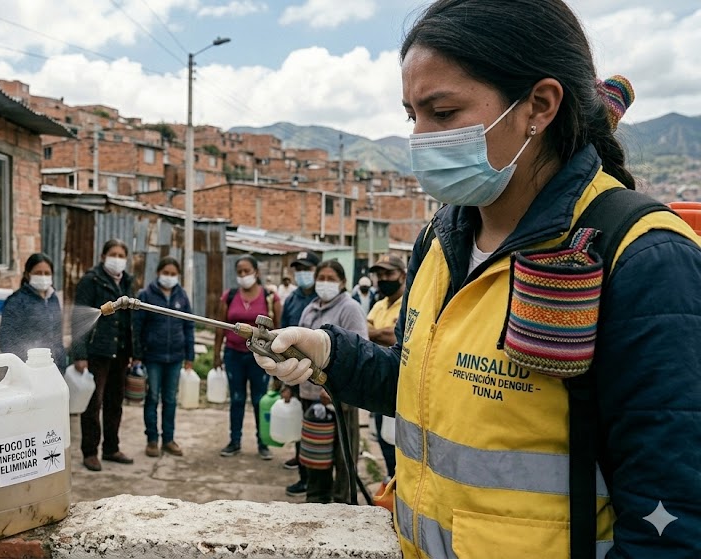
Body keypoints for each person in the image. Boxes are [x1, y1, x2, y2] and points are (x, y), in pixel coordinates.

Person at [252, 1, 701, 557]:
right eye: (411, 115)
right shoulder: (440, 241)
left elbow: (673, 518)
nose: (419, 138)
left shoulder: (642, 256)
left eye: (441, 114)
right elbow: (434, 388)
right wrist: (332, 355)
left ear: (539, 104)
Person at [296, 260, 368, 504]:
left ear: (342, 282)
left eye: (330, 278)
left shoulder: (350, 308)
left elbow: (360, 350)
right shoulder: (310, 309)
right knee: (316, 453)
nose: (324, 283)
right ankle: (316, 501)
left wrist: (335, 385)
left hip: (339, 396)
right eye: (321, 277)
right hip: (310, 393)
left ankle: (344, 504)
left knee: (342, 455)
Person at [71, 239, 136, 472]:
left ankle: (111, 448)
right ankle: (90, 452)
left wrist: (133, 351)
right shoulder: (91, 281)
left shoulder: (128, 281)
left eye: (121, 255)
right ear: (103, 256)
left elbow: (131, 320)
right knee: (93, 403)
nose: (117, 259)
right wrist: (79, 354)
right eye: (113, 254)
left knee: (114, 403)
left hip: (120, 353)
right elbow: (79, 318)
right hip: (96, 352)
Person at [213, 255, 281, 460]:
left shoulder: (270, 297)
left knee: (260, 399)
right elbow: (220, 327)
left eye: (247, 271)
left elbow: (279, 329)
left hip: (261, 356)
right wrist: (217, 353)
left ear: (256, 272)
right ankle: (235, 441)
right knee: (236, 399)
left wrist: (278, 359)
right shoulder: (230, 296)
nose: (243, 275)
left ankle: (263, 442)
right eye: (239, 272)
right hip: (233, 354)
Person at [132, 257, 194, 458]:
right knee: (152, 397)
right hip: (153, 356)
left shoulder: (182, 296)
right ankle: (152, 440)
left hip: (175, 357)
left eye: (173, 273)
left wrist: (189, 355)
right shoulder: (146, 295)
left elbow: (189, 326)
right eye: (165, 272)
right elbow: (138, 327)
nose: (169, 277)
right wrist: (137, 355)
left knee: (170, 399)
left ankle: (169, 439)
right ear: (158, 272)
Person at [279, 251, 320, 495]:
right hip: (292, 368)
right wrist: (281, 380)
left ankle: (314, 477)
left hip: (317, 370)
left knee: (316, 425)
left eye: (306, 268)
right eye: (298, 269)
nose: (301, 273)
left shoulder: (322, 299)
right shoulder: (292, 299)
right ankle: (302, 468)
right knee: (298, 420)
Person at [367, 255, 406, 480]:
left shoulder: (410, 302)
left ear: (402, 274)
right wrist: (383, 333)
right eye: (380, 275)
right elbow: (368, 331)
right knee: (383, 435)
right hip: (379, 377)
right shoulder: (380, 305)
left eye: (388, 274)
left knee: (399, 441)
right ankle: (392, 481)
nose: (383, 279)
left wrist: (379, 333)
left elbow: (395, 336)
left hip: (402, 382)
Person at [0, 253, 65, 366]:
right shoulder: (16, 301)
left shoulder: (53, 298)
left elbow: (57, 334)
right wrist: (24, 364)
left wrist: (61, 361)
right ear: (28, 275)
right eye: (38, 273)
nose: (43, 276)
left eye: (47, 273)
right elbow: (6, 339)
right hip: (29, 367)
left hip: (53, 366)